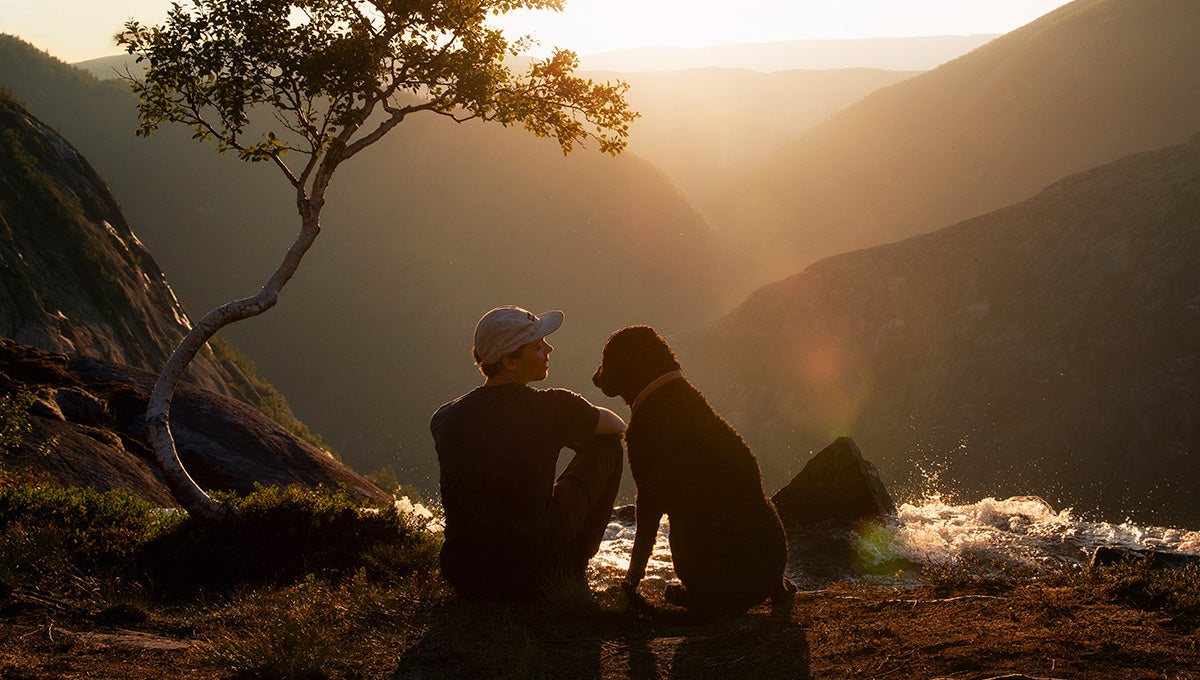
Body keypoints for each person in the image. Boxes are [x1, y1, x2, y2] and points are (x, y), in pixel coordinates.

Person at [431, 305, 627, 601]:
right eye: (538, 345)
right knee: (607, 444)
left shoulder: (444, 418)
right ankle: (572, 568)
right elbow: (616, 424)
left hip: (464, 574)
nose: (549, 348)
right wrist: (575, 425)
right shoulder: (551, 408)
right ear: (510, 361)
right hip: (530, 574)